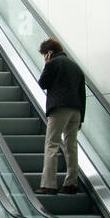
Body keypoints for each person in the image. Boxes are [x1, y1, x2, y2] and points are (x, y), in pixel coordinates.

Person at [35, 37, 87, 196]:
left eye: (44, 54)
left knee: (52, 144)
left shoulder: (52, 63)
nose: (44, 57)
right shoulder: (76, 67)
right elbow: (82, 93)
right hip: (76, 110)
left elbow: (42, 83)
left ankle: (49, 185)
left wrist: (47, 64)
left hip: (59, 108)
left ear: (49, 53)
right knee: (71, 146)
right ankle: (71, 183)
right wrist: (81, 118)